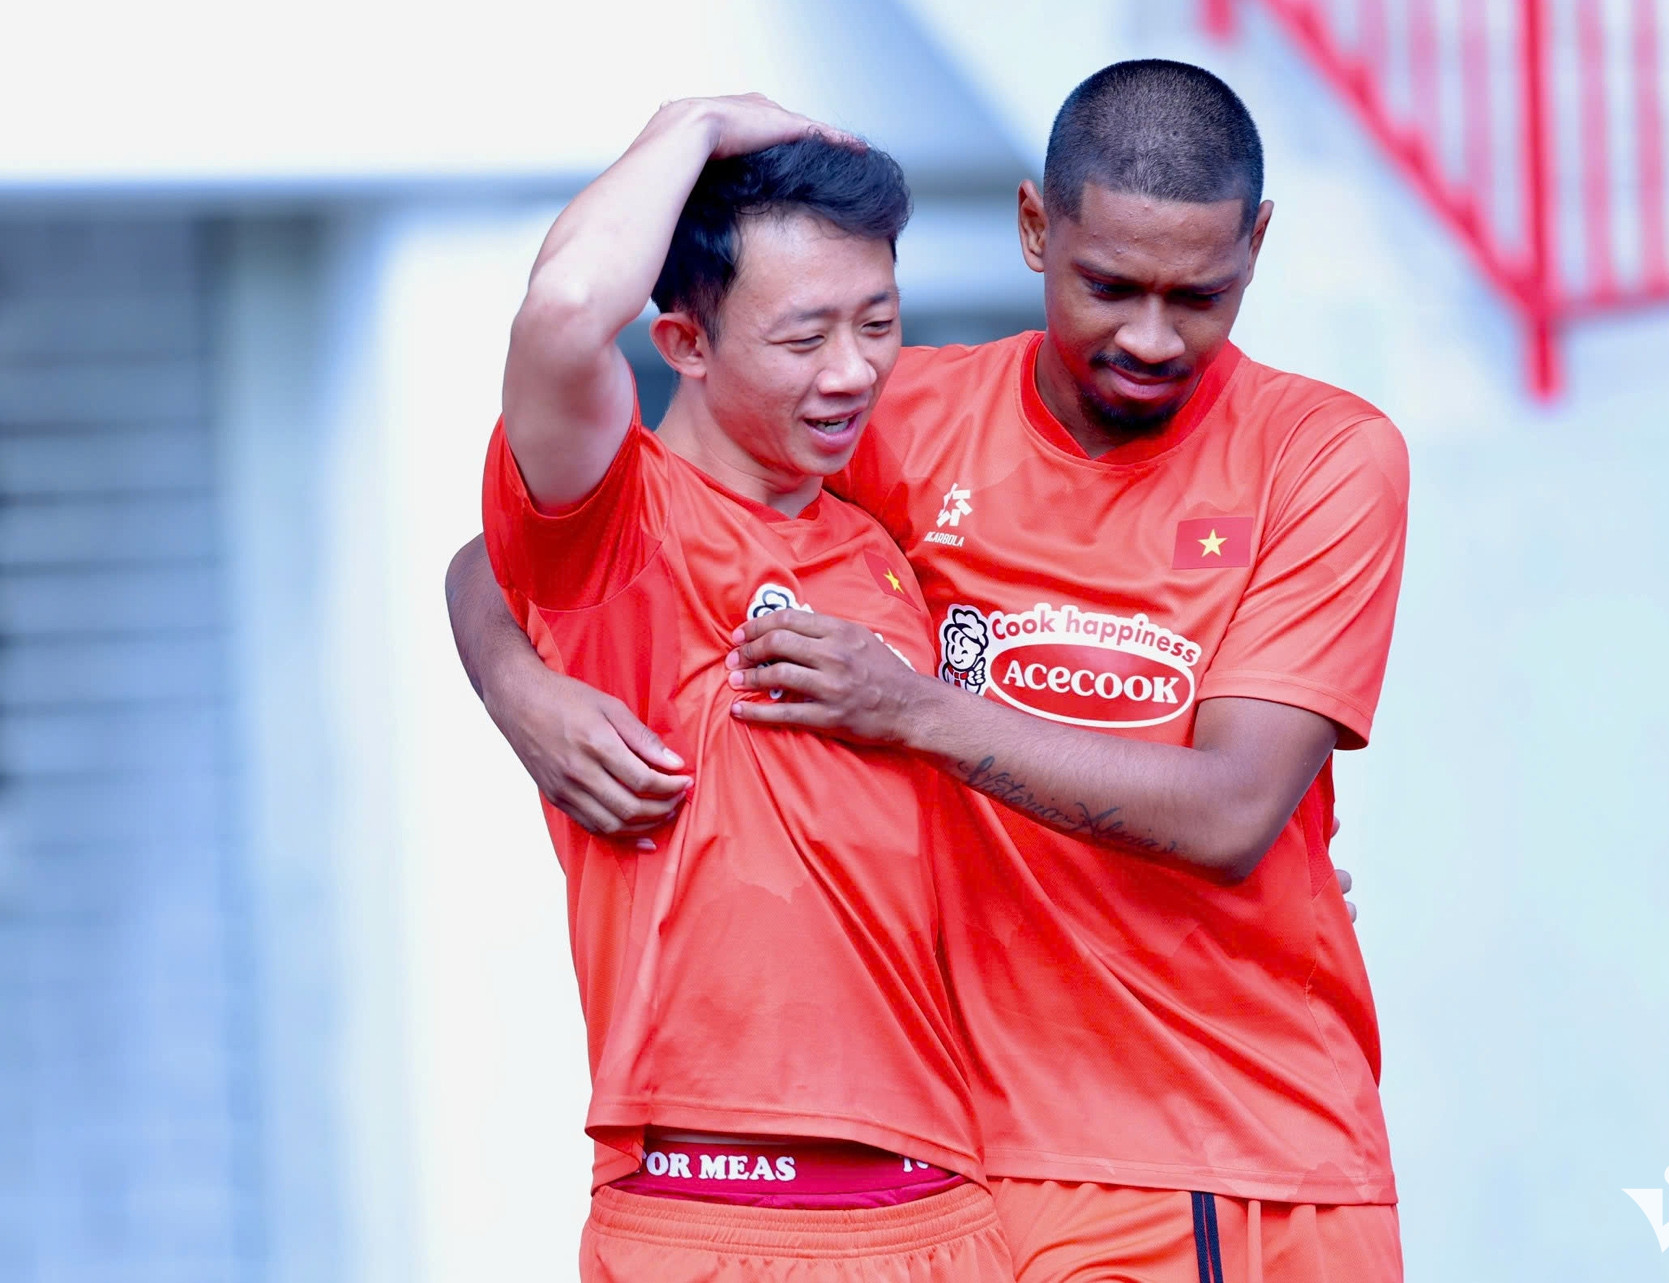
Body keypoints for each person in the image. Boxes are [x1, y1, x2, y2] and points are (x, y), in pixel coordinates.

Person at [452, 61, 1408, 1282]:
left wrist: (913, 710)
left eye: (1199, 295)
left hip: (1222, 1138)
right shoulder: (882, 422)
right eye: (1109, 286)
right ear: (1033, 229)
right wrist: (518, 682)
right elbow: (534, 543)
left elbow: (1229, 810)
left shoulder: (1316, 456)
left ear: (1255, 249)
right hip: (960, 1162)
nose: (1149, 335)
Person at [474, 92, 1013, 1281]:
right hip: (713, 1212)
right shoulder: (620, 526)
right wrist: (697, 123)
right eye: (804, 336)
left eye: (878, 322)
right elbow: (563, 312)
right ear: (684, 343)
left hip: (946, 1208)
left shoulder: (884, 546)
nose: (853, 370)